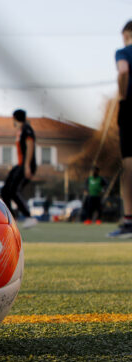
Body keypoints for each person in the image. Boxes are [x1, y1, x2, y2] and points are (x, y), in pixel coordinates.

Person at [108, 21, 132, 238]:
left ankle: (129, 222)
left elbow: (123, 71)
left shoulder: (124, 51)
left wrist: (123, 95)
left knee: (129, 165)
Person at [1, 109, 38, 229]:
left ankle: (29, 217)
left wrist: (27, 166)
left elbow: (30, 146)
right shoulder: (20, 130)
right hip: (20, 164)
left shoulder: (27, 129)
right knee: (5, 190)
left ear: (15, 118)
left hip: (26, 164)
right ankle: (11, 218)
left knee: (13, 191)